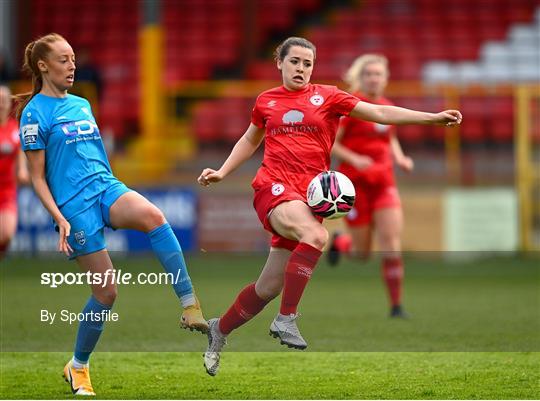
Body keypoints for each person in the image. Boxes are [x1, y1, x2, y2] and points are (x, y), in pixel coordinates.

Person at [197, 37, 462, 376]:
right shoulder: (266, 101)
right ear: (279, 62)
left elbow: (379, 112)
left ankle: (220, 330)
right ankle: (287, 318)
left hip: (307, 197)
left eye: (308, 64)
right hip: (273, 187)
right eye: (295, 62)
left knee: (268, 287)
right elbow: (250, 139)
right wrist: (222, 171)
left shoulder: (329, 96)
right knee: (315, 234)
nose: (301, 69)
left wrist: (433, 118)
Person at [15, 33, 208, 396]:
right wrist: (59, 217)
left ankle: (189, 305)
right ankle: (78, 367)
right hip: (74, 207)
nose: (72, 65)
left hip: (106, 187)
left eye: (73, 58)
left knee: (154, 216)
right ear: (43, 66)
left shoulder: (83, 104)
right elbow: (38, 177)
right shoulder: (33, 114)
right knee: (106, 292)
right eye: (63, 59)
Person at [328, 54, 413, 318]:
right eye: (369, 74)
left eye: (378, 74)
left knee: (391, 245)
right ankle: (340, 243)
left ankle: (396, 306)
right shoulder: (351, 106)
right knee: (361, 254)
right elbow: (330, 142)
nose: (374, 78)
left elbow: (390, 139)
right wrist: (355, 159)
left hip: (384, 182)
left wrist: (400, 158)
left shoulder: (387, 106)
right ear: (360, 77)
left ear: (385, 78)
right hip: (354, 187)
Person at [0, 85, 30, 259]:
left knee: (7, 234)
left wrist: (23, 171)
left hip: (7, 190)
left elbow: (21, 155)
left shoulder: (15, 129)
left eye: (4, 100)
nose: (1, 104)